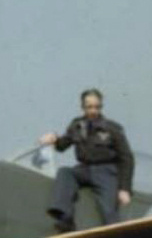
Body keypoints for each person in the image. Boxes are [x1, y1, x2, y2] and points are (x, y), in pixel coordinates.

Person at [38, 88, 134, 230]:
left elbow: (127, 158)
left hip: (105, 171)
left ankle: (116, 236)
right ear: (83, 107)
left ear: (101, 107)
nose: (93, 111)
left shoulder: (112, 128)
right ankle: (65, 217)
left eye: (97, 107)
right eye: (89, 107)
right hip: (84, 169)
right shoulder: (76, 126)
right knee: (65, 172)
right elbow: (62, 145)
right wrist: (53, 139)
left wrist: (125, 189)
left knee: (109, 212)